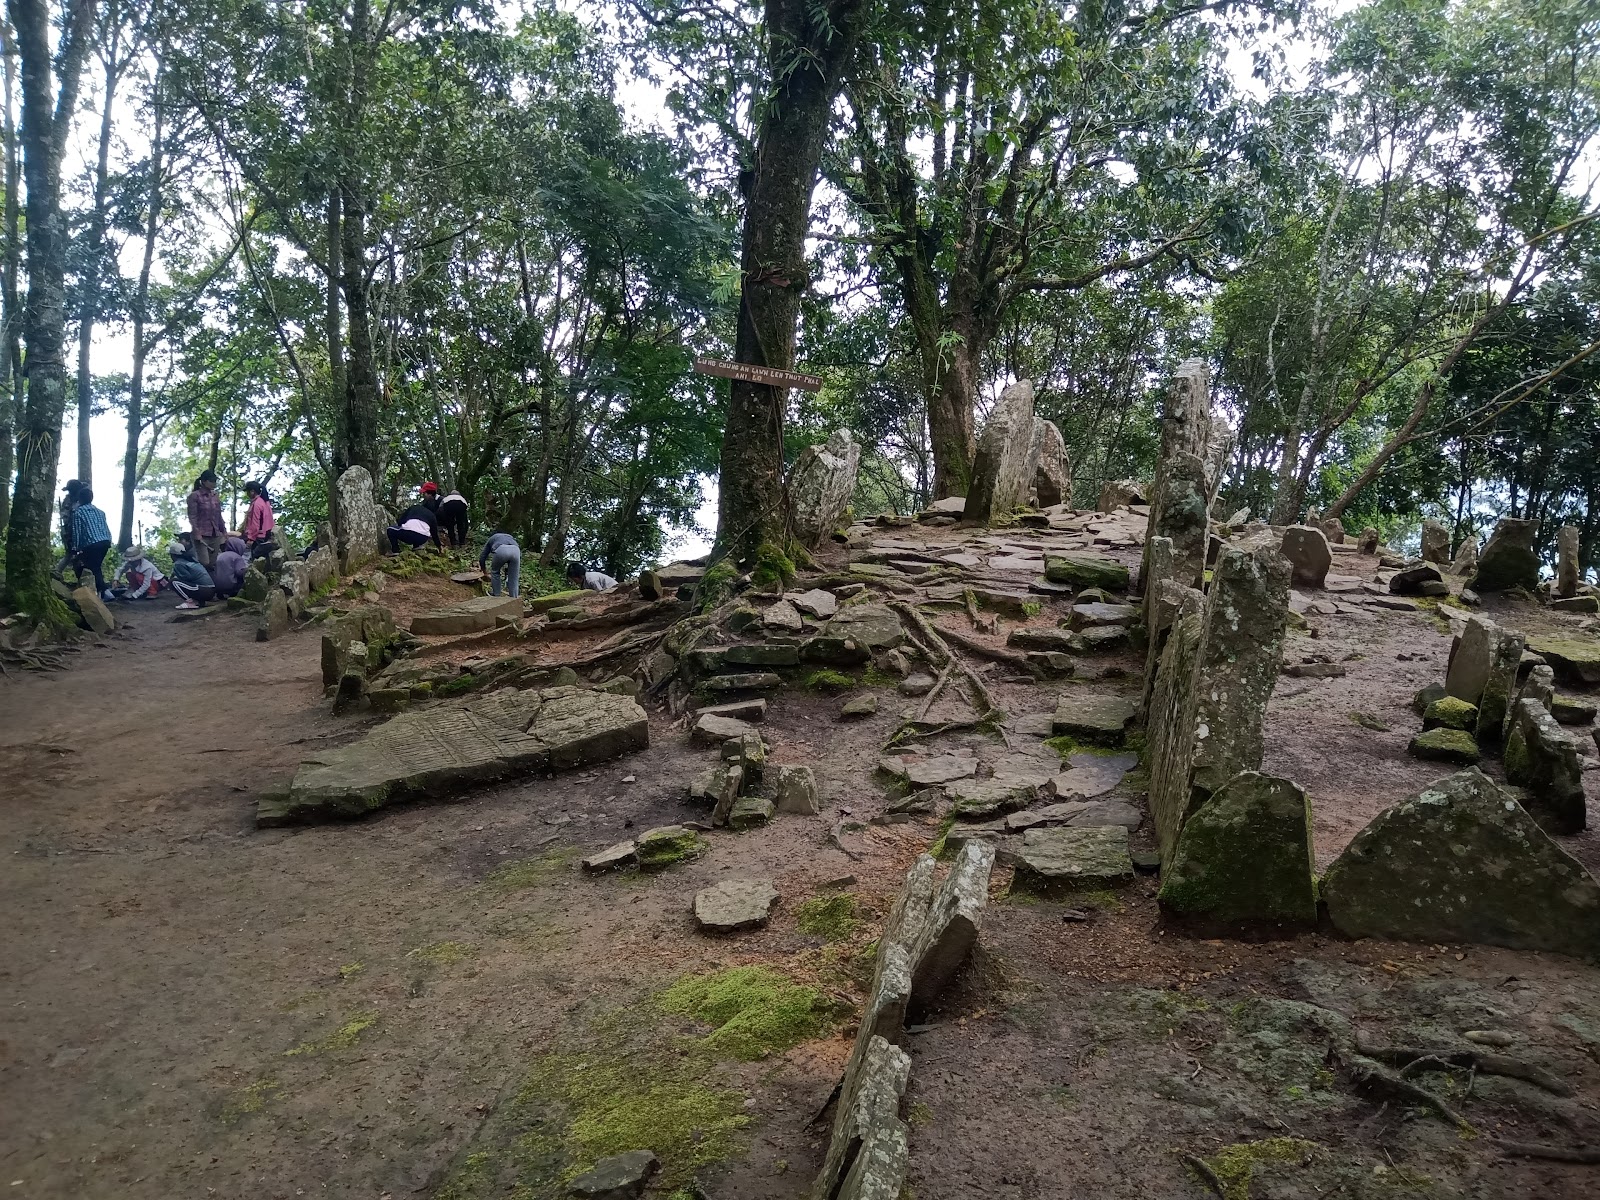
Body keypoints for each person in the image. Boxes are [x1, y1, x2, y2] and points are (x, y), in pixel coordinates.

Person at [68, 487, 114, 599]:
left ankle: (103, 592)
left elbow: (77, 532)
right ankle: (101, 592)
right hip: (105, 541)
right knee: (95, 566)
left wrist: (75, 549)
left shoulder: (78, 513)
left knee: (90, 567)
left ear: (79, 499)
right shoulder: (100, 512)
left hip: (92, 543)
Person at [186, 469, 227, 569]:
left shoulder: (215, 496)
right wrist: (197, 533)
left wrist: (223, 530)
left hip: (215, 534)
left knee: (212, 563)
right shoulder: (194, 496)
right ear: (204, 481)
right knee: (204, 561)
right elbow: (192, 516)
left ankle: (211, 583)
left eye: (215, 481)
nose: (214, 483)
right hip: (202, 535)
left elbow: (218, 515)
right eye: (211, 481)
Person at [168, 541, 217, 609]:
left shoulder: (179, 563)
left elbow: (187, 578)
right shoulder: (191, 560)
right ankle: (199, 602)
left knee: (173, 582)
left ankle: (190, 602)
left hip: (205, 591)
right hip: (210, 590)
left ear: (172, 555)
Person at [479, 531, 521, 597]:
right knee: (514, 577)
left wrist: (485, 572)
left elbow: (482, 557)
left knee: (495, 572)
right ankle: (514, 598)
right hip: (516, 550)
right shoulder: (510, 537)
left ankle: (496, 595)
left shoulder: (492, 538)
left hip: (502, 549)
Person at [56, 479, 83, 576]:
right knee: (71, 553)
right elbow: (66, 518)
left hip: (77, 531)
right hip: (70, 531)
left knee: (77, 554)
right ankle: (57, 571)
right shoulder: (68, 502)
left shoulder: (78, 501)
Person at [243, 481, 275, 558]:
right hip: (267, 534)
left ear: (252, 491)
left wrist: (251, 539)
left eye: (247, 491)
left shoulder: (256, 504)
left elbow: (255, 523)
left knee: (255, 560)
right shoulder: (265, 501)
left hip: (258, 537)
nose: (247, 494)